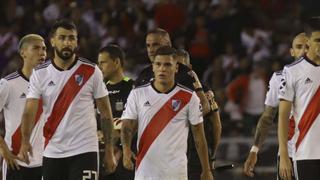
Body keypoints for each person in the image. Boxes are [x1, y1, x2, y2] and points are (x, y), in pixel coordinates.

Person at [17, 19, 116, 180]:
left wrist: (109, 151)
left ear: (76, 42)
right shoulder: (40, 74)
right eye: (62, 38)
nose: (67, 42)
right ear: (52, 41)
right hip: (52, 150)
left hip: (85, 149)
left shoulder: (91, 71)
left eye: (71, 38)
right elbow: (29, 111)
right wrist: (25, 141)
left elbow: (105, 113)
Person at [121, 46, 213, 180]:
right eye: (158, 64)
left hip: (176, 173)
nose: (162, 69)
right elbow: (127, 125)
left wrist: (206, 170)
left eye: (167, 64)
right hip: (145, 172)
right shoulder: (137, 94)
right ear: (153, 67)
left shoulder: (189, 97)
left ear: (176, 68)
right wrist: (126, 150)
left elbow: (199, 136)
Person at [243, 33, 308, 179]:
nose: (304, 50)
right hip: (289, 154)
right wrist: (254, 150)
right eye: (299, 47)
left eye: (307, 47)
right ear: (292, 52)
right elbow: (267, 117)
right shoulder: (279, 78)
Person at [278, 17, 320, 180]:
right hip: (305, 152)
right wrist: (283, 156)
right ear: (308, 41)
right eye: (318, 40)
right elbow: (282, 117)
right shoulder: (292, 72)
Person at [0, 34, 46, 180]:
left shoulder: (52, 84)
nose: (42, 53)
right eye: (36, 48)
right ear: (23, 53)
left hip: (46, 162)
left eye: (44, 49)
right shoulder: (8, 84)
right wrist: (4, 150)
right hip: (16, 163)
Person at [134, 28, 211, 115]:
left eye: (155, 44)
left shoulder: (184, 72)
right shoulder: (144, 75)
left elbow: (204, 106)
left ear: (168, 44)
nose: (151, 50)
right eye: (148, 45)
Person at [176, 49, 222, 180]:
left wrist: (212, 156)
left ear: (190, 68)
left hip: (195, 153)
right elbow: (217, 125)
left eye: (182, 66)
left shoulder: (204, 91)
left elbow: (216, 124)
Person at [97, 44, 135, 180]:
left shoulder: (133, 87)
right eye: (98, 63)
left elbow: (135, 122)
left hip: (126, 156)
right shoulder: (99, 91)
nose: (99, 67)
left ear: (117, 62)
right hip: (103, 156)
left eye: (103, 62)